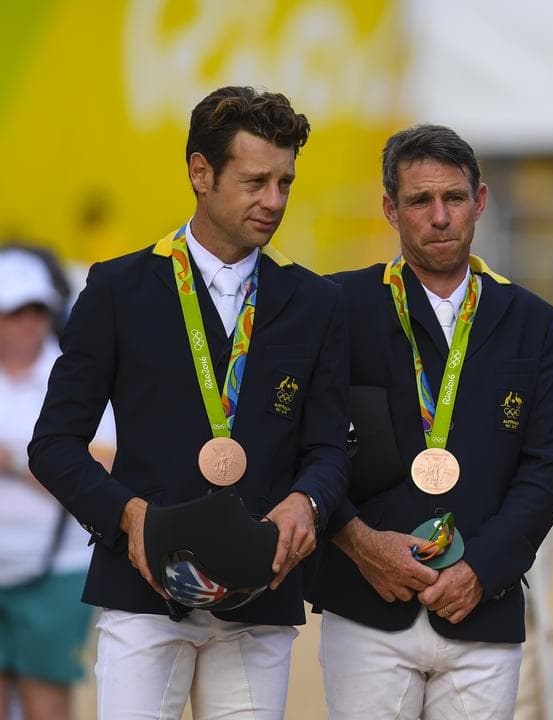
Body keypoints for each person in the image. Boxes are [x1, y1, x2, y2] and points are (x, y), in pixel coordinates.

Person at [27, 86, 349, 719]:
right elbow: (53, 446)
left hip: (263, 591)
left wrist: (306, 501)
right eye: (256, 181)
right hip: (144, 594)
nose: (274, 201)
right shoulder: (117, 288)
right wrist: (130, 518)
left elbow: (329, 446)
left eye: (285, 182)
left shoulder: (316, 303)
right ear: (200, 173)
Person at [308, 124, 553, 719]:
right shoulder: (337, 308)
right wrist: (361, 544)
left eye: (454, 198)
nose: (440, 217)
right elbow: (310, 447)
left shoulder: (530, 321)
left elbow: (546, 466)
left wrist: (483, 568)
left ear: (480, 201)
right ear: (389, 210)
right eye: (420, 201)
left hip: (482, 605)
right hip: (366, 600)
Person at [0, 246, 114, 720]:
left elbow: (105, 473)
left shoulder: (74, 375)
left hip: (56, 568)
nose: (28, 323)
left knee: (46, 701)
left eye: (36, 310)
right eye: (14, 311)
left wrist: (13, 461)